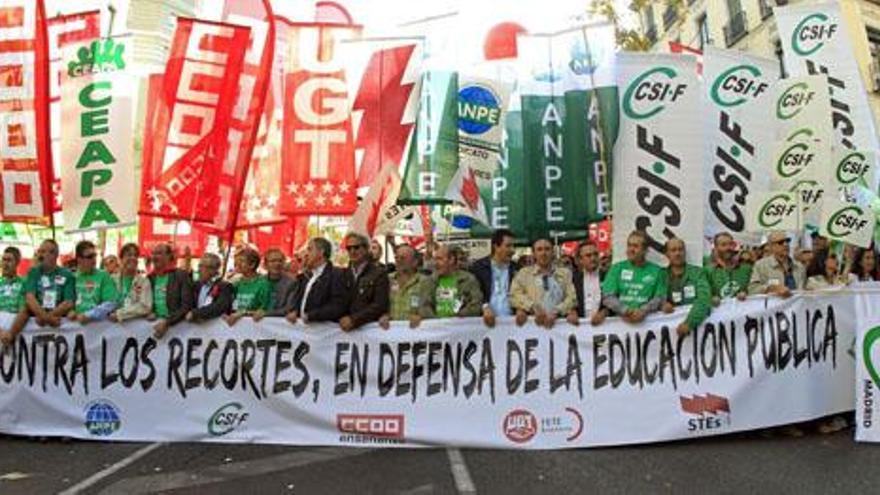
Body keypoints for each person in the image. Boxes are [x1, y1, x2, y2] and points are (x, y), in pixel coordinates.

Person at [592, 230, 666, 325]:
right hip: (620, 325)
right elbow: (608, 297)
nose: (631, 249)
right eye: (629, 245)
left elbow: (660, 298)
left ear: (645, 250)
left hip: (648, 323)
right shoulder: (616, 268)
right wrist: (625, 310)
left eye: (635, 246)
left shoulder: (657, 271)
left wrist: (643, 311)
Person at [510, 237, 578, 329]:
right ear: (533, 253)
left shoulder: (565, 273)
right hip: (532, 327)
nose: (543, 253)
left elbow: (572, 298)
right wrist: (532, 307)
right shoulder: (523, 274)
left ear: (553, 252)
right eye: (539, 249)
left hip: (559, 326)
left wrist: (556, 311)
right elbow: (515, 295)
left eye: (547, 249)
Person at [412, 244, 483, 327]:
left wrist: (454, 320)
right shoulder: (428, 281)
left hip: (460, 330)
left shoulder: (468, 280)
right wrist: (437, 323)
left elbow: (475, 305)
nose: (435, 263)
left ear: (451, 260)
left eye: (439, 259)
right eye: (435, 259)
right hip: (435, 332)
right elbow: (423, 306)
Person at [287, 238, 349, 324]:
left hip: (324, 333)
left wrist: (311, 316)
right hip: (302, 332)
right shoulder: (306, 276)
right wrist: (296, 312)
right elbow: (300, 300)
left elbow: (337, 305)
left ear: (321, 252)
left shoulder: (336, 275)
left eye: (309, 249)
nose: (305, 254)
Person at [659, 238, 711, 335]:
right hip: (670, 332)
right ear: (667, 254)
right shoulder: (661, 275)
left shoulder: (698, 272)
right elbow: (657, 297)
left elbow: (704, 299)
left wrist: (689, 323)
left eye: (680, 249)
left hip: (696, 328)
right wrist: (662, 305)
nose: (677, 253)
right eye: (673, 250)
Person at [339, 233, 390, 331]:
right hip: (343, 330)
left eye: (356, 247)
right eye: (349, 248)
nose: (352, 251)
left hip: (369, 331)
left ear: (366, 249)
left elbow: (380, 304)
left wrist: (354, 320)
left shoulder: (379, 273)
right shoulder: (343, 274)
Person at [469, 229, 518, 327]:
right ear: (496, 246)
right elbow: (472, 293)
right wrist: (484, 306)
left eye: (513, 246)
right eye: (508, 246)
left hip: (512, 324)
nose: (513, 250)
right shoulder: (478, 267)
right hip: (484, 325)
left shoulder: (516, 269)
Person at [23, 239, 76, 327]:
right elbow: (30, 298)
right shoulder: (34, 272)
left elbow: (68, 302)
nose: (39, 255)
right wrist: (47, 318)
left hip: (58, 319)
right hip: (38, 319)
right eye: (39, 251)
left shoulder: (67, 274)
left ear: (54, 255)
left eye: (43, 252)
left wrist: (46, 317)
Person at [148, 243, 194, 338]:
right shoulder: (149, 278)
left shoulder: (181, 276)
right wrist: (150, 312)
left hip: (176, 330)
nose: (155, 256)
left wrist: (167, 322)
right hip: (153, 328)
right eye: (153, 253)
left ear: (169, 256)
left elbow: (186, 306)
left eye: (159, 253)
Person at [68, 241, 118, 324]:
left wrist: (89, 315)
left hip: (99, 329)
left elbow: (111, 302)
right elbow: (67, 300)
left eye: (95, 255)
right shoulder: (72, 277)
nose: (94, 259)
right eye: (90, 256)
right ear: (79, 259)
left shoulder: (104, 276)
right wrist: (69, 311)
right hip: (75, 328)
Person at [380, 244, 427, 329]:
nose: (398, 261)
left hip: (416, 334)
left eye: (403, 258)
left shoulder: (425, 281)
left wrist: (422, 316)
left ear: (415, 262)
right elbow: (381, 304)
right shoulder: (387, 280)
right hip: (392, 335)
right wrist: (384, 315)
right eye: (396, 258)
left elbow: (432, 307)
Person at [748, 231, 805, 297]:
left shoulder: (799, 266)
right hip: (773, 306)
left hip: (795, 306)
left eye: (787, 241)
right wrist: (771, 288)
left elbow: (804, 289)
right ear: (771, 246)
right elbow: (752, 289)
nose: (785, 244)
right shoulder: (761, 265)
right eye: (780, 242)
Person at [224, 247, 271, 326]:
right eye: (236, 261)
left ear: (252, 264)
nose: (237, 264)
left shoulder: (264, 284)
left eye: (241, 261)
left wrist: (243, 313)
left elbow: (266, 310)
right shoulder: (237, 282)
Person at [704, 232, 752, 305]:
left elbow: (753, 289)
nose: (728, 248)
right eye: (723, 245)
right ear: (716, 248)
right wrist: (710, 298)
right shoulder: (707, 271)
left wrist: (746, 293)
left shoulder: (746, 269)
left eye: (731, 244)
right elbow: (703, 294)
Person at [109, 243, 152, 323]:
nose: (133, 258)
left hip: (135, 330)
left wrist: (120, 314)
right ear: (120, 259)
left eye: (135, 255)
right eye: (129, 255)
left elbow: (145, 306)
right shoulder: (111, 279)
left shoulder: (144, 281)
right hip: (112, 327)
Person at [187, 253, 233, 323]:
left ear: (212, 270)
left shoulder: (224, 286)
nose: (198, 270)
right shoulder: (196, 285)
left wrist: (196, 313)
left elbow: (219, 307)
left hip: (215, 331)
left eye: (201, 266)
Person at [256, 248, 299, 321]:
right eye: (273, 261)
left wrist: (266, 313)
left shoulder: (292, 282)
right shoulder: (259, 281)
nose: (277, 264)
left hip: (280, 325)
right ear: (265, 264)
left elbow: (288, 308)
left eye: (280, 261)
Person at [0, 247, 25, 342]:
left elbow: (23, 310)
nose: (5, 264)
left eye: (9, 260)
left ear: (17, 262)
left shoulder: (24, 283)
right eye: (3, 260)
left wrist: (11, 333)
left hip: (16, 336)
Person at [573, 241, 602, 319]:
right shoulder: (573, 279)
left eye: (595, 254)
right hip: (581, 327)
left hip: (605, 327)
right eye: (588, 255)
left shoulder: (607, 276)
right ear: (580, 260)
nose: (593, 258)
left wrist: (604, 313)